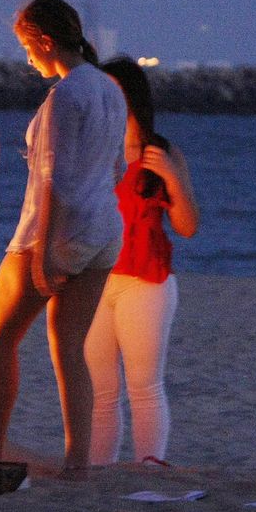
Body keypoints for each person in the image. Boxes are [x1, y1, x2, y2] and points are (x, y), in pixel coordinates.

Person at [0, 0, 125, 476]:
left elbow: (54, 180)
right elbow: (116, 168)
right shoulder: (110, 89)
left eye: (27, 46)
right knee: (70, 345)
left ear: (44, 39)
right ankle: (77, 462)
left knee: (2, 340)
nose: (27, 58)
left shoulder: (65, 96)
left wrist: (43, 255)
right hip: (105, 229)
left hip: (58, 232)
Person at [83, 58, 199, 466]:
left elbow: (187, 225)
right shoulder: (91, 146)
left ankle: (150, 468)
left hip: (145, 280)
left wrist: (172, 177)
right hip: (94, 279)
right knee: (101, 391)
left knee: (144, 385)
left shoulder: (159, 152)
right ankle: (100, 470)